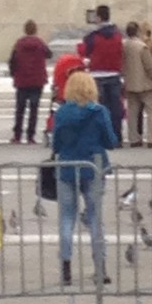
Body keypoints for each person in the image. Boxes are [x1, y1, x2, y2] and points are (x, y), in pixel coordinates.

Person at [53, 71, 117, 287]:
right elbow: (111, 140)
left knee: (66, 218)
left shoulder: (62, 112)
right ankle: (100, 269)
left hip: (68, 167)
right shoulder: (99, 111)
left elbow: (56, 143)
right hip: (94, 167)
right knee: (94, 218)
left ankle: (66, 269)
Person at [83, 4, 123, 145]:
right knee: (115, 108)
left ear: (98, 18)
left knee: (100, 108)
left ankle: (102, 137)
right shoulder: (118, 35)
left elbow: (86, 54)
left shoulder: (92, 37)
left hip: (97, 74)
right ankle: (117, 137)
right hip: (114, 73)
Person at [8, 19, 52, 144]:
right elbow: (49, 54)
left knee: (20, 109)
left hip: (22, 80)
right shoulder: (40, 43)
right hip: (37, 81)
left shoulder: (19, 44)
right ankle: (30, 136)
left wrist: (14, 74)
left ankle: (17, 135)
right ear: (35, 30)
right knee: (34, 109)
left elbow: (12, 61)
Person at [121, 21, 152, 147]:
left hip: (129, 82)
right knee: (151, 110)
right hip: (145, 84)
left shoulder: (123, 45)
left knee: (132, 111)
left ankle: (133, 138)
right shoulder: (142, 47)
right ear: (138, 31)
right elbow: (150, 68)